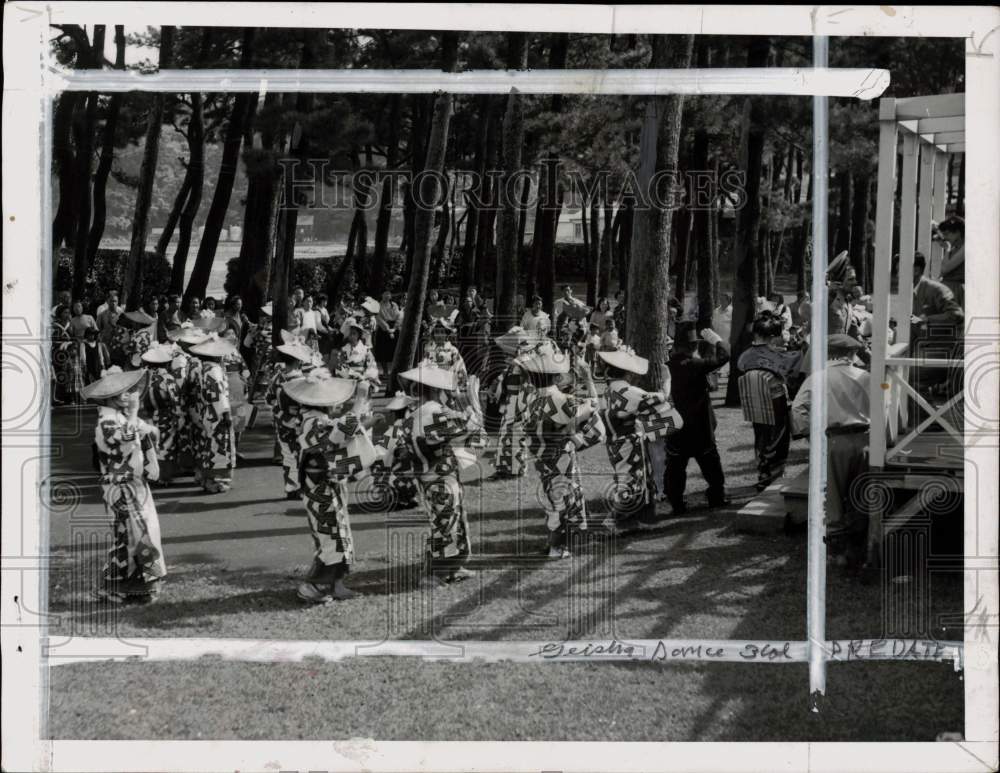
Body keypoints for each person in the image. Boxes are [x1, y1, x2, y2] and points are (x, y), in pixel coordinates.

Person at [289, 371, 375, 603]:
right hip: (319, 488)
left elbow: (337, 432)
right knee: (331, 536)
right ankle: (313, 587)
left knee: (338, 533)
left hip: (323, 484)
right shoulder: (313, 422)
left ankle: (337, 584)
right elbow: (338, 435)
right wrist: (358, 402)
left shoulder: (310, 418)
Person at [83, 367, 166, 604]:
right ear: (113, 396)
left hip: (133, 485)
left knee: (140, 534)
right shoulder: (107, 421)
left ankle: (135, 586)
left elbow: (145, 430)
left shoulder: (118, 416)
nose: (130, 395)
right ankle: (116, 587)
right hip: (120, 488)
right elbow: (127, 436)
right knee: (129, 537)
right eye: (126, 392)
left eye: (131, 391)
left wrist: (149, 429)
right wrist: (136, 414)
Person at [397, 363, 479, 584]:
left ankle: (453, 567)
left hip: (428, 476)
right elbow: (468, 432)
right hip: (440, 477)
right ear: (436, 389)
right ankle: (436, 572)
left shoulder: (411, 415)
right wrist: (470, 410)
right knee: (446, 523)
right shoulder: (434, 412)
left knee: (448, 520)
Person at [522, 346, 606, 558]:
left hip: (542, 457)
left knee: (554, 498)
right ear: (557, 377)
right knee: (564, 500)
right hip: (561, 456)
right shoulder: (562, 400)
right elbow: (594, 405)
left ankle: (554, 543)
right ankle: (558, 547)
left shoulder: (530, 401)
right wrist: (588, 379)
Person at [791, 334, 870, 546]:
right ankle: (860, 535)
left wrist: (809, 435)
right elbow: (884, 406)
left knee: (832, 494)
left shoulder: (818, 377)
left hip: (833, 439)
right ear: (852, 354)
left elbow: (798, 408)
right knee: (862, 491)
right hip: (865, 438)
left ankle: (835, 537)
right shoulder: (866, 376)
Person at [598, 347, 682, 530]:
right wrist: (667, 379)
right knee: (629, 481)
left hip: (615, 441)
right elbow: (662, 398)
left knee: (638, 479)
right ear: (627, 373)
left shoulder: (608, 391)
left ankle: (641, 520)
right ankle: (613, 522)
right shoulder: (629, 391)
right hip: (628, 442)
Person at [663, 324, 730, 514]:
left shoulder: (668, 367)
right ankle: (716, 498)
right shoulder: (697, 365)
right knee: (711, 465)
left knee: (675, 467)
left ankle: (677, 504)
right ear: (694, 347)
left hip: (676, 425)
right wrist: (717, 340)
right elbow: (724, 356)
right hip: (700, 426)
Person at [736, 314, 804, 491]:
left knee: (761, 438)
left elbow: (740, 367)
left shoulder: (745, 355)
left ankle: (763, 473)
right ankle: (773, 477)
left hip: (754, 400)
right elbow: (794, 370)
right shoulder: (780, 356)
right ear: (774, 336)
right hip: (775, 401)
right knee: (778, 439)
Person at [265, 333, 316, 499]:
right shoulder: (301, 380)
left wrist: (279, 412)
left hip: (281, 422)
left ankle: (290, 486)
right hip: (298, 423)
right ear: (299, 360)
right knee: (298, 455)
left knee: (287, 454)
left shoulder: (277, 377)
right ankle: (298, 487)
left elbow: (268, 399)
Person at [188, 334, 238, 493]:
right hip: (217, 413)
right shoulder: (214, 371)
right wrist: (226, 415)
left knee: (209, 445)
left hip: (207, 412)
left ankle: (208, 477)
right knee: (219, 446)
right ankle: (217, 481)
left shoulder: (203, 367)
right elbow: (219, 396)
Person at [492, 326, 535, 479]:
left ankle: (519, 469)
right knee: (505, 435)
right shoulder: (514, 362)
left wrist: (517, 364)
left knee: (518, 435)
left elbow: (530, 382)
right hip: (510, 400)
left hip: (521, 401)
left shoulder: (527, 361)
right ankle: (503, 468)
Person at [141, 342, 184, 485]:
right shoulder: (168, 379)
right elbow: (175, 399)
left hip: (146, 416)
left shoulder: (143, 377)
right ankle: (163, 476)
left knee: (149, 445)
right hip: (165, 416)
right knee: (165, 445)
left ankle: (150, 473)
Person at [369, 390, 420, 510]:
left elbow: (379, 452)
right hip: (415, 471)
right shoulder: (414, 428)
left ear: (393, 414)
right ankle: (408, 496)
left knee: (384, 466)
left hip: (397, 472)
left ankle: (397, 496)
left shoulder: (392, 431)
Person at [52, 304, 82, 404]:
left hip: (70, 353)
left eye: (68, 312)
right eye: (65, 312)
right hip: (58, 353)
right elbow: (52, 341)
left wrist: (69, 342)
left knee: (70, 375)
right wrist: (63, 343)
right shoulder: (55, 326)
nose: (67, 314)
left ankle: (69, 397)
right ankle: (58, 397)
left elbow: (76, 339)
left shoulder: (71, 325)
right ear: (60, 314)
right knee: (60, 374)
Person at [936, 216, 964, 303]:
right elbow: (942, 271)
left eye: (947, 234)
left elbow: (945, 269)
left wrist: (947, 249)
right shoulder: (954, 248)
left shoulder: (965, 248)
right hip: (948, 289)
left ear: (958, 232)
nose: (945, 237)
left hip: (956, 291)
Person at [373, 290, 402, 375]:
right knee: (382, 352)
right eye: (385, 293)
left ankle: (394, 371)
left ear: (391, 296)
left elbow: (399, 316)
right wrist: (387, 329)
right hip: (383, 329)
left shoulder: (394, 305)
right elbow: (378, 318)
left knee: (395, 351)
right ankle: (385, 371)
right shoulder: (378, 305)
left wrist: (395, 328)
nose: (386, 295)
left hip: (394, 328)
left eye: (388, 294)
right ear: (382, 295)